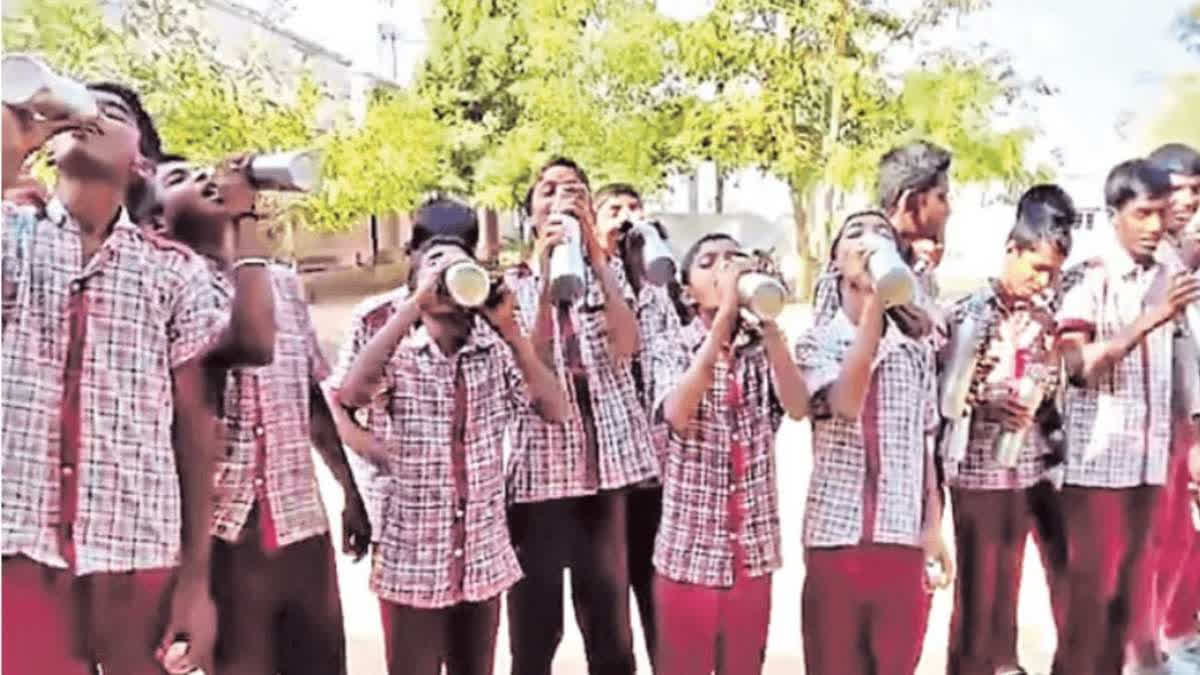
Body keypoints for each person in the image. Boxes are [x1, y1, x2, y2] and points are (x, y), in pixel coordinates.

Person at [2, 83, 224, 674]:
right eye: (79, 103)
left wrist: (195, 583)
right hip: (17, 542)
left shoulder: (173, 272)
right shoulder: (13, 239)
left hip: (138, 545)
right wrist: (15, 144)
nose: (89, 114)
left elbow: (197, 429)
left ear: (139, 161)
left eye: (113, 112)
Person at [337, 236, 568, 675]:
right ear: (413, 285)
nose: (447, 273)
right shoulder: (400, 354)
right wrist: (411, 309)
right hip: (413, 553)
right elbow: (352, 392)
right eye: (435, 265)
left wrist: (511, 331)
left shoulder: (496, 351)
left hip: (481, 549)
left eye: (460, 265)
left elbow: (555, 410)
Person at [505, 157, 657, 675]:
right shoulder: (508, 286)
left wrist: (594, 257)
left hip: (604, 475)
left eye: (574, 190)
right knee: (535, 628)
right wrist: (549, 280)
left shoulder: (613, 274)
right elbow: (533, 369)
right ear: (530, 215)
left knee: (609, 626)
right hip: (537, 478)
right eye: (548, 191)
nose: (561, 199)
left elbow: (628, 346)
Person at [1053, 158, 1200, 674]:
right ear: (1116, 213)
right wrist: (1151, 318)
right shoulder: (1089, 281)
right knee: (1089, 609)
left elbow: (1183, 362)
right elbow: (1076, 367)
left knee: (1131, 609)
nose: (1156, 226)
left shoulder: (1170, 274)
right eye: (1143, 213)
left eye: (1162, 213)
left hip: (1149, 466)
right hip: (1097, 469)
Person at [794, 210, 952, 675]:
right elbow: (845, 401)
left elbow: (924, 442)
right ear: (835, 260)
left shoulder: (914, 347)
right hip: (835, 537)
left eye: (881, 234)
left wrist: (932, 526)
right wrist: (875, 312)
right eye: (855, 233)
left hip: (901, 536)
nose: (868, 241)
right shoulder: (816, 343)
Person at [648, 234, 809, 674]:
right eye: (708, 262)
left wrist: (770, 322)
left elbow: (798, 406)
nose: (725, 268)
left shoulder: (761, 350)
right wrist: (721, 322)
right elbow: (678, 412)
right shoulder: (670, 345)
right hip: (689, 557)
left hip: (751, 557)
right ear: (686, 290)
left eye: (734, 258)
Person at [941, 195, 1075, 675]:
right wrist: (985, 403)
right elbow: (944, 393)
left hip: (1030, 465)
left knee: (1012, 580)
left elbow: (1054, 382)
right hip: (977, 471)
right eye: (1037, 268)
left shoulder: (1046, 318)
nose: (1043, 282)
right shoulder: (968, 313)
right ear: (1011, 250)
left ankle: (1006, 665)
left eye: (1053, 273)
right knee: (980, 591)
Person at [325, 199, 482, 546]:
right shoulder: (376, 316)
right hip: (400, 514)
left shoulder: (488, 317)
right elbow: (339, 402)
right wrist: (379, 456)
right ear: (411, 254)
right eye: (432, 257)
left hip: (473, 516)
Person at [592, 182, 682, 665]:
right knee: (609, 596)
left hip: (661, 468)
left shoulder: (659, 282)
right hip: (609, 469)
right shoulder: (584, 281)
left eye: (634, 206)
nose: (627, 216)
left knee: (658, 590)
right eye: (614, 208)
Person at [1145, 142, 1200, 670]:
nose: (1186, 201)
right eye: (1176, 189)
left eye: (1196, 191)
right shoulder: (1152, 261)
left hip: (1188, 423)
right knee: (1161, 540)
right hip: (1155, 426)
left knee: (1188, 539)